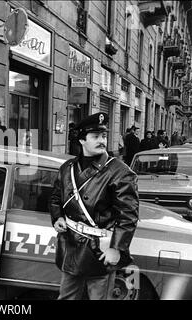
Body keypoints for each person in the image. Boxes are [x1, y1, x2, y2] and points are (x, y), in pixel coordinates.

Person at [49, 112, 139, 300]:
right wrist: (57, 217)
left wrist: (117, 248)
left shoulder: (120, 172)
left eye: (104, 136)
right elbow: (56, 197)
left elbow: (128, 215)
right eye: (95, 136)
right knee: (66, 297)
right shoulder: (68, 168)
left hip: (100, 250)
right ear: (82, 140)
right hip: (71, 245)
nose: (102, 141)